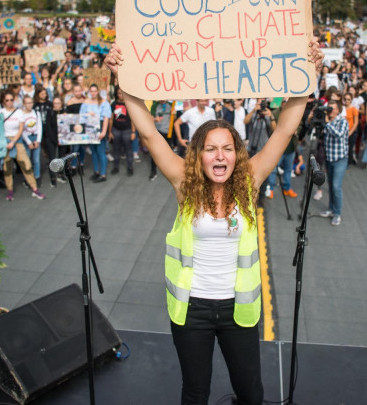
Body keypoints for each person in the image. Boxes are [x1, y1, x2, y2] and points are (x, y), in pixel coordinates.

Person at [104, 39, 323, 405]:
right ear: (198, 155)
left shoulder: (249, 181)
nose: (219, 155)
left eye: (227, 148)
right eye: (210, 148)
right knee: (195, 392)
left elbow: (284, 131)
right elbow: (149, 134)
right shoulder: (183, 183)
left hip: (239, 309)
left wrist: (308, 74)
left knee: (250, 392)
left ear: (237, 154)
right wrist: (122, 78)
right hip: (192, 311)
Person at [319, 98, 349, 225]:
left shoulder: (342, 121)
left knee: (336, 186)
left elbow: (339, 134)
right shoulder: (326, 121)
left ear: (338, 110)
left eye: (332, 109)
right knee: (331, 185)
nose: (330, 111)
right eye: (328, 108)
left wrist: (326, 123)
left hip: (340, 159)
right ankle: (331, 209)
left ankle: (337, 213)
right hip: (329, 158)